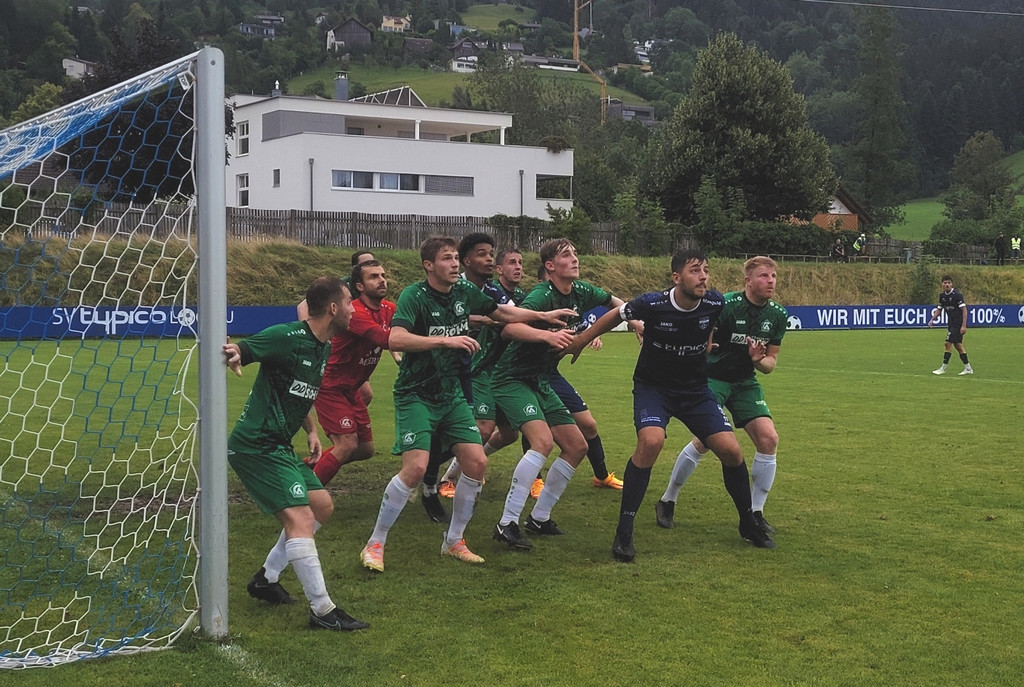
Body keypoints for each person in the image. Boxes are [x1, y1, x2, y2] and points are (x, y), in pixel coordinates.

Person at [359, 236, 573, 572]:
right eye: (447, 259)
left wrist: (543, 315)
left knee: (476, 462)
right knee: (414, 468)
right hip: (417, 393)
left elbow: (502, 311)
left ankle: (454, 540)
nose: (455, 264)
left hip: (452, 393)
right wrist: (444, 340)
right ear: (429, 265)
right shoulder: (414, 295)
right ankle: (375, 542)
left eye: (456, 258)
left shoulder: (463, 292)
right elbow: (396, 338)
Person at [564, 249, 776, 563]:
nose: (703, 276)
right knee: (652, 441)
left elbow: (715, 330)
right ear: (677, 278)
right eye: (694, 270)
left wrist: (711, 347)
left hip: (695, 391)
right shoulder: (653, 303)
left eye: (705, 269)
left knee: (731, 451)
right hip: (654, 389)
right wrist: (582, 339)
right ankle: (625, 529)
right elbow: (614, 315)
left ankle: (748, 522)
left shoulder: (715, 302)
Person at [225, 276, 369, 632]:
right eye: (349, 301)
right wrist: (233, 353)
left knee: (322, 506)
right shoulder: (287, 336)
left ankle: (266, 578)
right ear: (333, 308)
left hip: (279, 445)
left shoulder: (324, 344)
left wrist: (311, 431)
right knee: (301, 519)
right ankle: (322, 610)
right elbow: (243, 349)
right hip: (255, 445)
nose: (353, 309)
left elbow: (297, 391)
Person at [490, 238, 628, 551]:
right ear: (550, 266)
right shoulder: (542, 295)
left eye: (576, 253)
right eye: (567, 255)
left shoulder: (582, 291)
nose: (575, 259)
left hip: (540, 378)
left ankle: (539, 518)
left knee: (577, 445)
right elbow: (509, 330)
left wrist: (635, 320)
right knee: (542, 442)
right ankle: (506, 522)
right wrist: (546, 334)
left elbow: (615, 304)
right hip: (512, 378)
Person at [654, 256, 788, 537]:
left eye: (773, 276)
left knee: (769, 439)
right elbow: (702, 336)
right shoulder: (725, 305)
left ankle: (755, 512)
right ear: (748, 281)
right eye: (764, 276)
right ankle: (668, 499)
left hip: (744, 381)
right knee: (706, 440)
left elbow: (771, 364)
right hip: (712, 378)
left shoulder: (777, 315)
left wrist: (757, 360)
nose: (771, 281)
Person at [306, 260, 396, 486]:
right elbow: (384, 340)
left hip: (352, 388)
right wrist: (444, 341)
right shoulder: (354, 312)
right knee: (346, 444)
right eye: (373, 276)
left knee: (365, 449)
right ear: (360, 286)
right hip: (330, 385)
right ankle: (303, 495)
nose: (381, 279)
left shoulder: (389, 309)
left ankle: (304, 470)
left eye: (383, 275)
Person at [929, 275, 973, 376]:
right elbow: (939, 309)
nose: (947, 284)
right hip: (951, 323)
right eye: (945, 283)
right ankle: (968, 368)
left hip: (958, 324)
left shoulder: (957, 295)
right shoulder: (942, 296)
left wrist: (963, 326)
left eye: (949, 282)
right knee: (958, 346)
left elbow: (964, 310)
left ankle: (943, 368)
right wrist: (932, 319)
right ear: (942, 284)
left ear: (951, 284)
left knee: (947, 343)